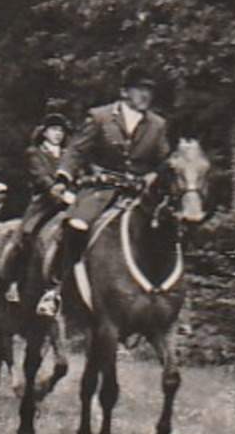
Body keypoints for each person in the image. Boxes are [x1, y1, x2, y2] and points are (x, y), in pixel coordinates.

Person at [37, 67, 171, 317]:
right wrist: (62, 178)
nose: (145, 96)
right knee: (76, 225)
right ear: (124, 92)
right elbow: (77, 151)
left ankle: (169, 298)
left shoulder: (157, 124)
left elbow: (163, 162)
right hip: (102, 189)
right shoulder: (100, 117)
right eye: (139, 89)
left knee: (167, 230)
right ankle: (55, 290)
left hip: (140, 194)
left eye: (148, 91)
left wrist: (152, 177)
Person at [6, 113, 71, 305]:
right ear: (44, 132)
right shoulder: (35, 153)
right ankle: (15, 282)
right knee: (25, 235)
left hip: (71, 201)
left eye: (61, 130)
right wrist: (57, 192)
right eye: (54, 130)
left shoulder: (68, 155)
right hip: (44, 203)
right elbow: (41, 177)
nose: (58, 134)